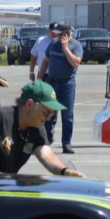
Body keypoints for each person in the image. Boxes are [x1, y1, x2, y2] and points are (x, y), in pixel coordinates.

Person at [36, 22, 82, 153]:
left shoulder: (76, 45)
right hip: (52, 82)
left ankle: (66, 143)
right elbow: (46, 61)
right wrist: (40, 79)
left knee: (67, 116)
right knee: (49, 113)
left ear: (67, 34)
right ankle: (48, 139)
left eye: (59, 34)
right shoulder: (53, 43)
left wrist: (66, 48)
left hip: (67, 84)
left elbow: (76, 63)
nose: (56, 35)